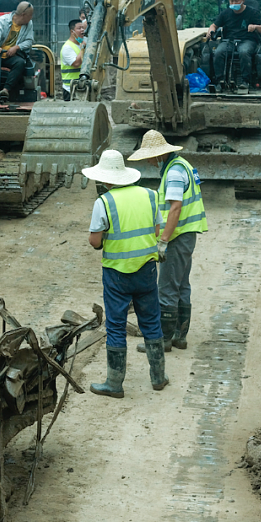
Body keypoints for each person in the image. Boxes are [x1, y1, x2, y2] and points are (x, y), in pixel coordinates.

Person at [83, 149, 169, 398]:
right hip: (146, 270)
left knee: (117, 325)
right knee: (151, 322)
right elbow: (155, 230)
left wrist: (103, 243)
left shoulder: (104, 202)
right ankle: (158, 377)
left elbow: (94, 241)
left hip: (117, 275)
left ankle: (114, 383)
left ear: (105, 179)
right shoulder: (151, 195)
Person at [127, 130, 208, 354]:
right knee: (182, 284)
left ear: (157, 154)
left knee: (167, 289)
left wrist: (163, 240)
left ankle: (162, 340)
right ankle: (180, 337)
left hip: (177, 236)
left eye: (148, 157)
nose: (148, 162)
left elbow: (175, 207)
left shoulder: (173, 172)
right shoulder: (181, 164)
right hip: (187, 234)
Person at [205, 0, 261, 91]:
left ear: (243, 0)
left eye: (236, 1)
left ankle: (245, 81)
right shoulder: (225, 13)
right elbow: (214, 25)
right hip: (229, 41)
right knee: (218, 52)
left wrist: (255, 27)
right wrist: (211, 31)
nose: (234, 3)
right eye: (231, 1)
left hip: (247, 40)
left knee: (244, 52)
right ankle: (220, 81)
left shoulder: (252, 13)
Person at [60, 18, 85, 101]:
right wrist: (83, 49)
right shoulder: (67, 47)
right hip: (70, 90)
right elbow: (76, 64)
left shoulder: (80, 45)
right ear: (72, 31)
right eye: (79, 28)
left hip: (81, 87)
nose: (82, 30)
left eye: (83, 28)